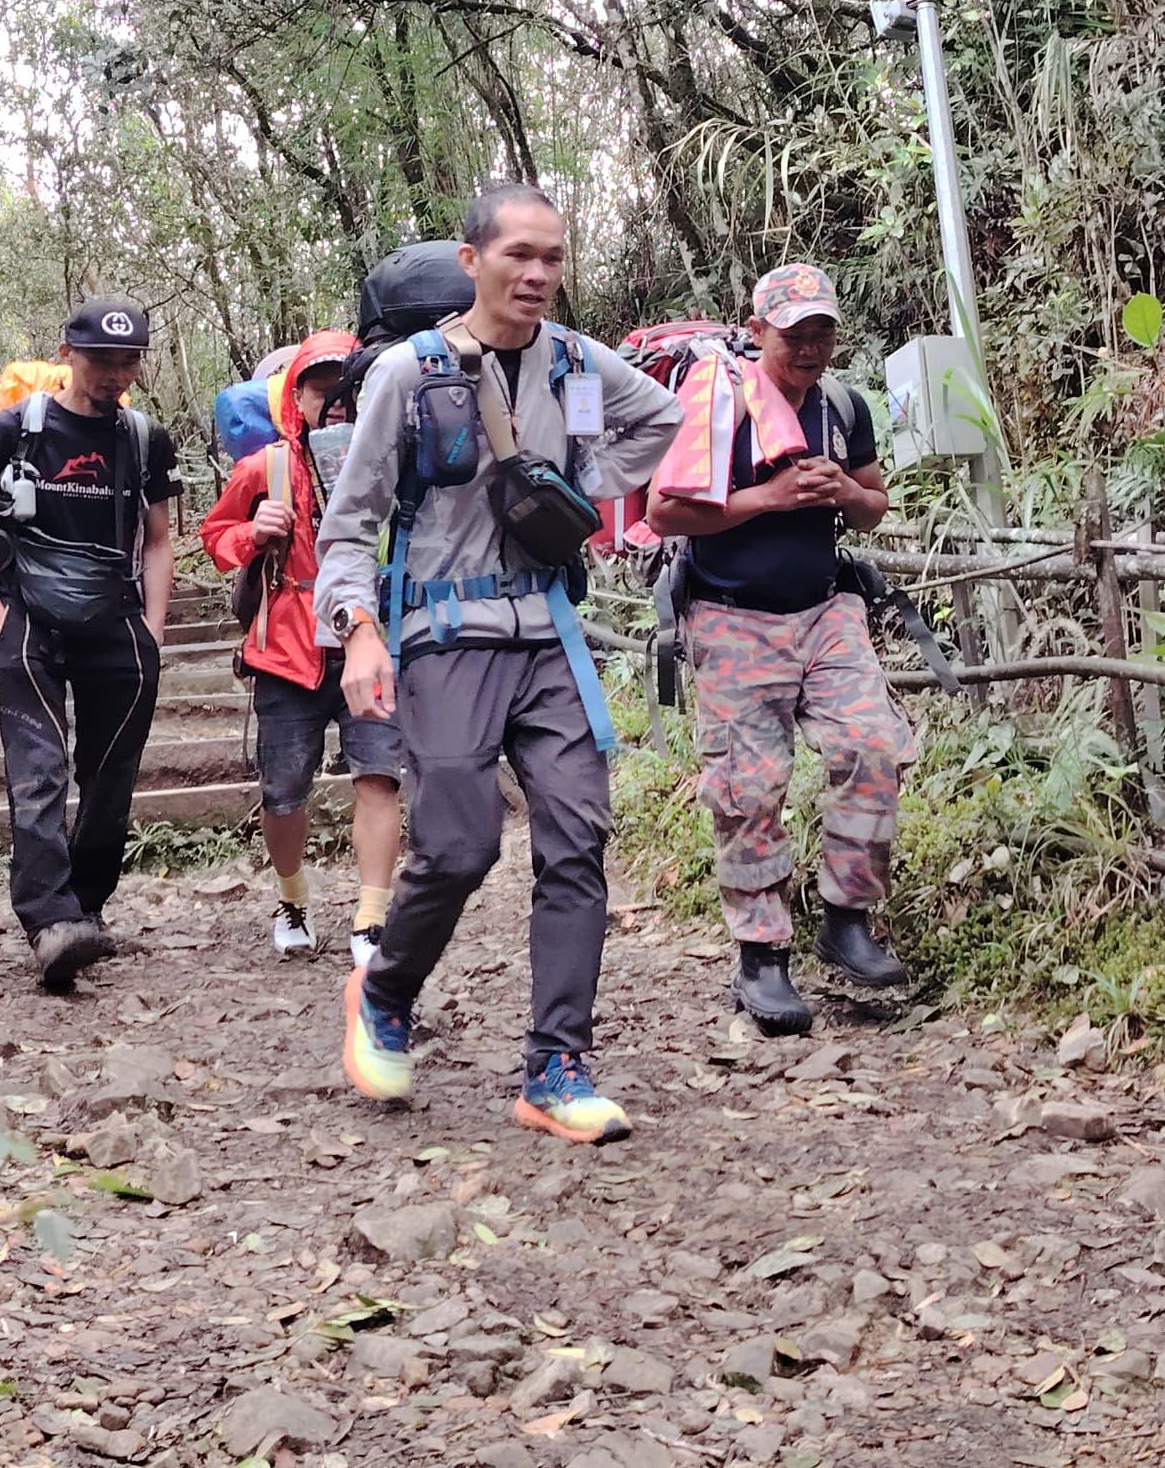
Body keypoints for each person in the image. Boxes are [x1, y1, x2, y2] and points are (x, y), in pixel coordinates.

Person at [318, 184, 680, 1145]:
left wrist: (573, 489)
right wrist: (358, 629)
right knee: (462, 845)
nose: (537, 274)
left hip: (549, 632)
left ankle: (556, 1066)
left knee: (577, 836)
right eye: (519, 254)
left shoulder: (575, 363)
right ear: (472, 260)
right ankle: (385, 991)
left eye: (553, 258)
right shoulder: (410, 372)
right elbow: (350, 521)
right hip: (445, 635)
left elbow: (665, 423)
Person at [644, 265, 913, 1036]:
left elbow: (872, 505)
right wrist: (769, 498)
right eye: (794, 334)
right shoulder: (717, 407)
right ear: (758, 330)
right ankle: (761, 958)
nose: (810, 348)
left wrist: (844, 496)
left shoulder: (841, 406)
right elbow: (665, 513)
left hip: (827, 608)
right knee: (749, 787)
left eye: (822, 332)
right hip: (732, 618)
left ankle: (847, 918)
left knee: (870, 744)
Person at [0, 299, 180, 991]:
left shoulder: (143, 439)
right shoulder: (20, 428)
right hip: (30, 622)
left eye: (127, 360)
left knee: (111, 780)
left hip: (117, 625)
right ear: (67, 353)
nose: (114, 373)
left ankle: (86, 913)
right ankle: (49, 923)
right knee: (39, 773)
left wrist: (154, 630)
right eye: (101, 359)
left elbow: (159, 540)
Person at [199, 331, 405, 968]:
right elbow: (215, 534)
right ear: (299, 397)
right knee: (285, 788)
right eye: (322, 391)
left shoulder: (395, 459)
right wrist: (252, 532)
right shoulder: (267, 467)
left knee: (379, 776)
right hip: (287, 650)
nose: (336, 404)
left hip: (370, 638)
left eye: (348, 391)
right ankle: (292, 900)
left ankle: (371, 921)